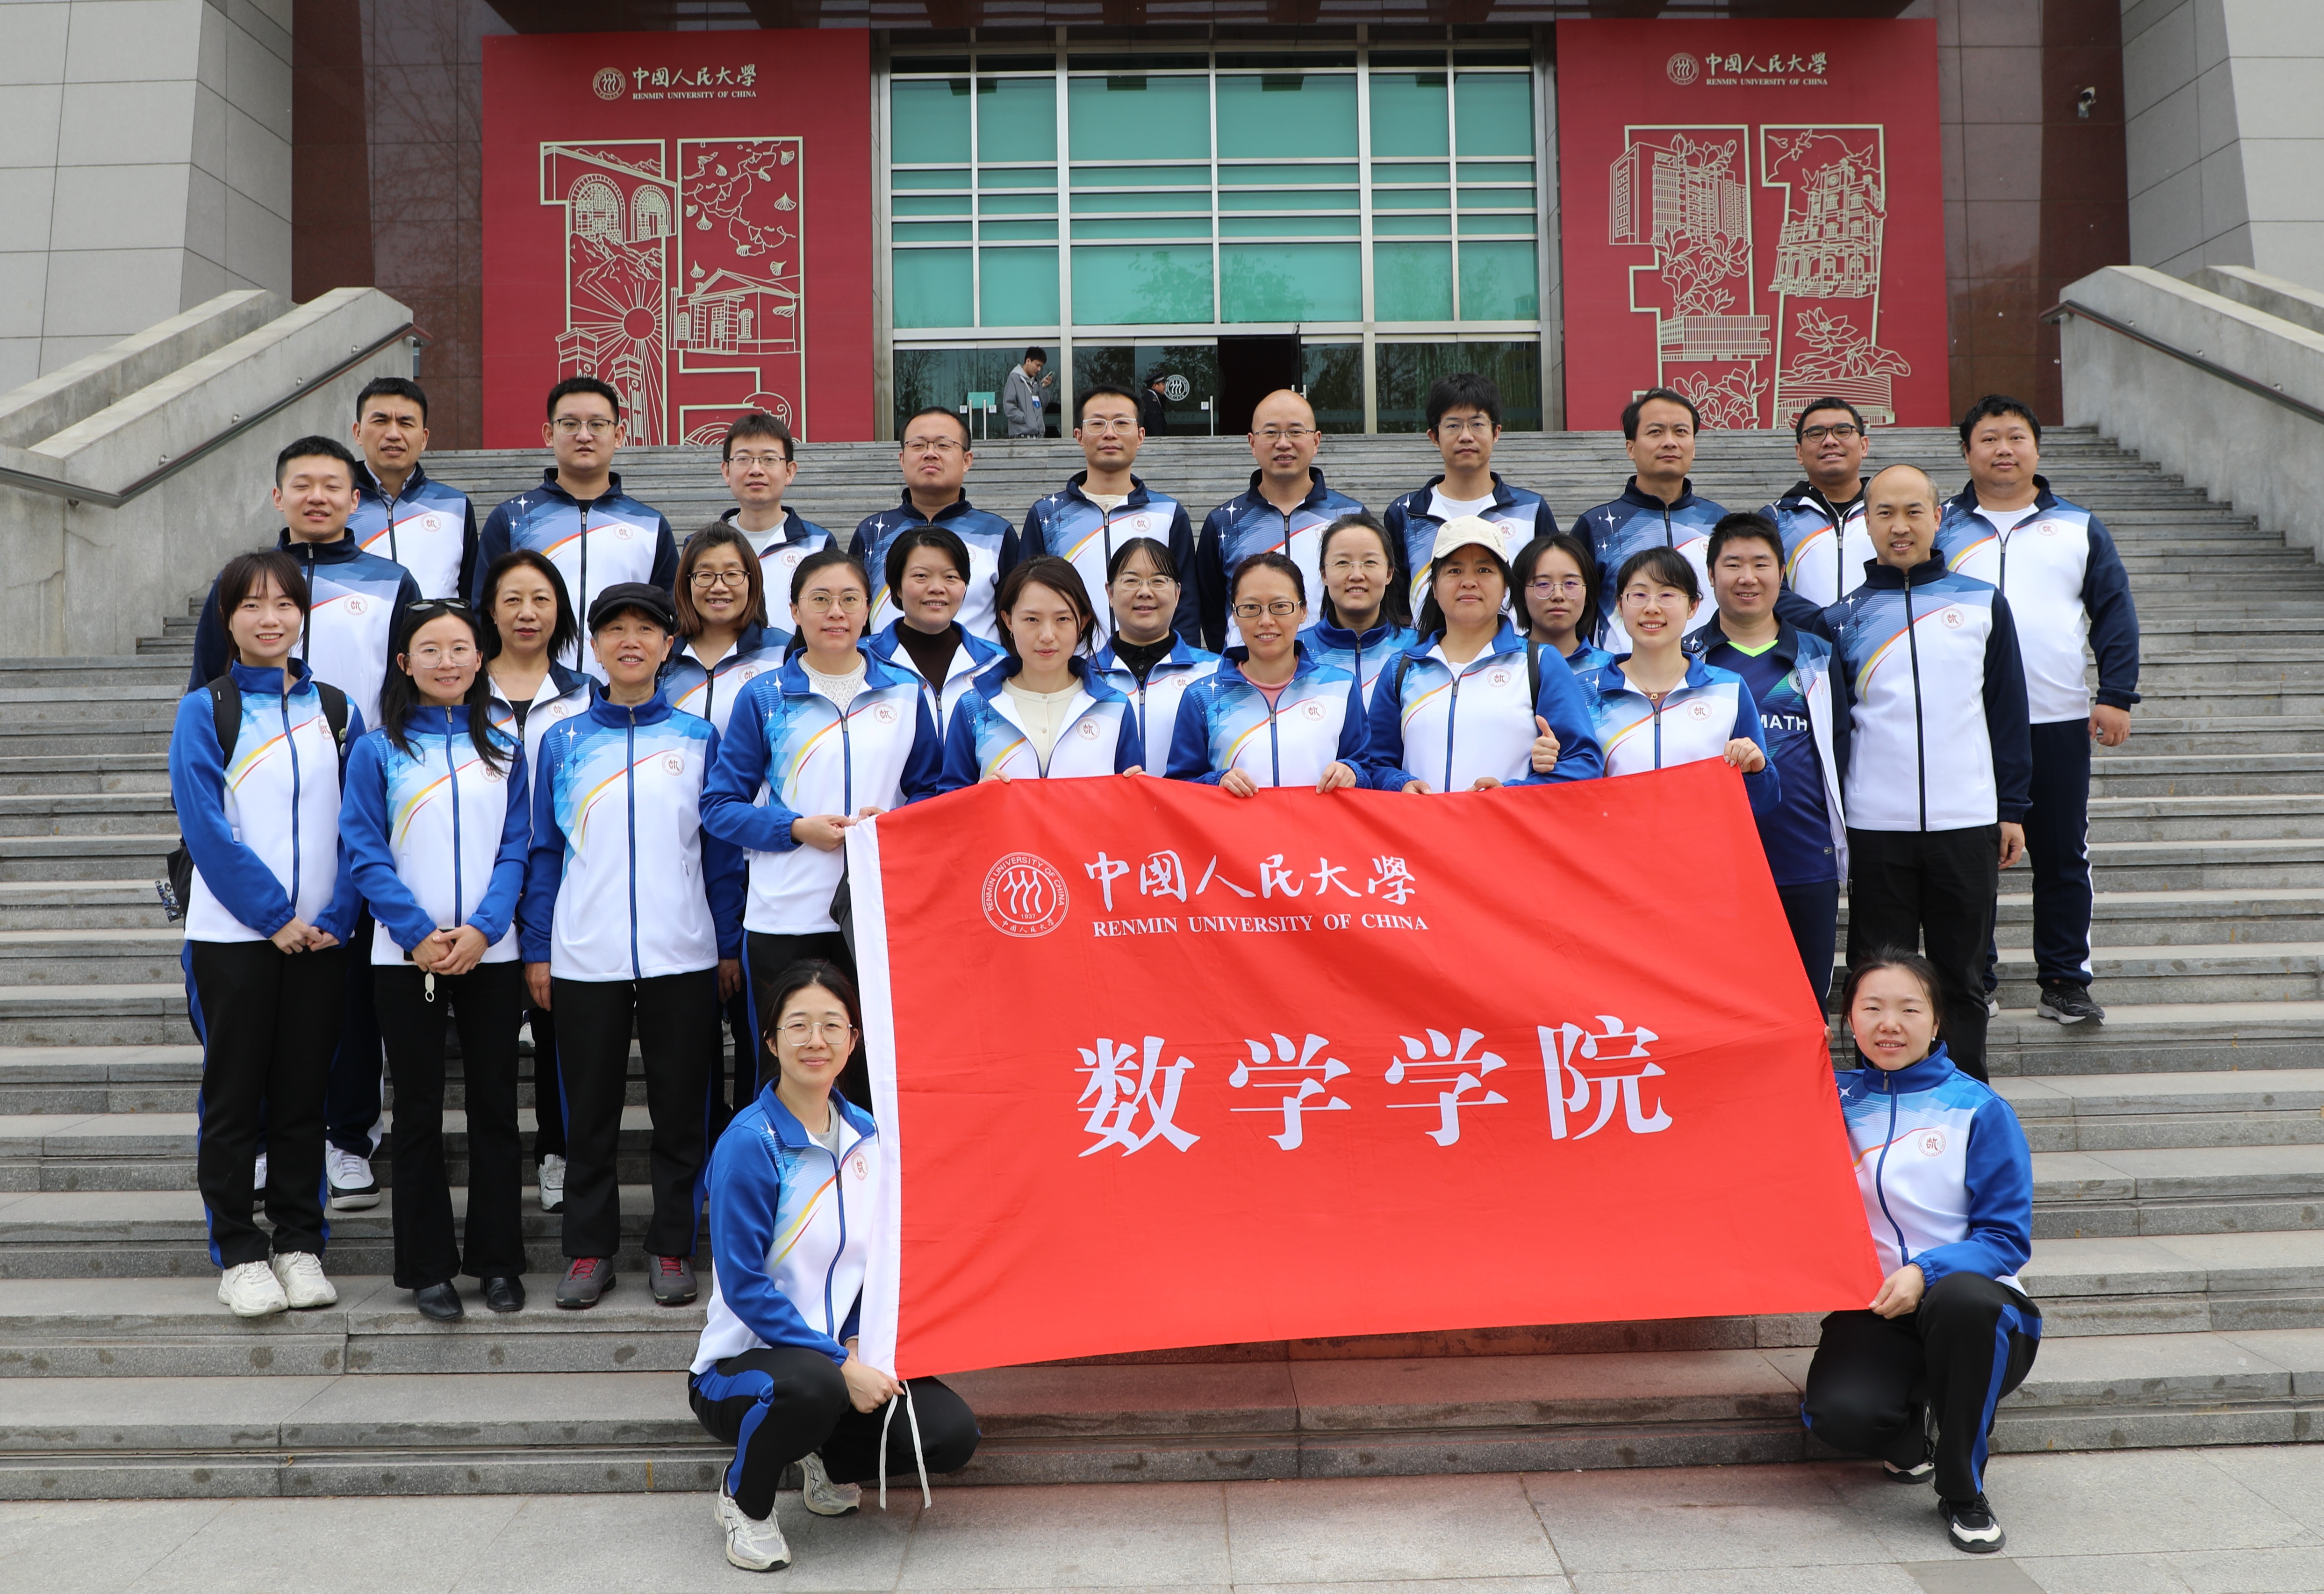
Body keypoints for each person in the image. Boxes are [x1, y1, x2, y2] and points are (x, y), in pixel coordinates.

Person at [187, 436, 420, 1216]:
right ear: (277, 495)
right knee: (250, 1029)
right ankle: (260, 1149)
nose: (317, 496)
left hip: (350, 796)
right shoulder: (239, 586)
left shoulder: (391, 581)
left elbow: (408, 685)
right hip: (254, 810)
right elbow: (205, 686)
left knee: (349, 1000)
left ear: (357, 498)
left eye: (332, 485)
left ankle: (348, 1137)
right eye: (302, 484)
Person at [690, 962, 979, 1574]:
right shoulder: (752, 1143)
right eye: (798, 1025)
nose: (814, 1040)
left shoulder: (867, 1135)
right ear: (771, 1041)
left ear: (853, 1040)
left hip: (836, 1358)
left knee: (950, 1431)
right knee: (814, 1387)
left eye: (831, 1025)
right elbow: (744, 1287)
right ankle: (744, 1498)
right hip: (743, 1367)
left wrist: (854, 1341)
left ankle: (819, 1455)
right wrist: (839, 1362)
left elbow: (878, 1260)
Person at [520, 582, 745, 1311]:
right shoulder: (562, 741)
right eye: (614, 629)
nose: (630, 641)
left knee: (683, 1108)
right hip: (586, 953)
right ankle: (590, 1250)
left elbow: (719, 852)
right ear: (595, 646)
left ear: (668, 645)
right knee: (589, 1112)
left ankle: (672, 1245)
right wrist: (537, 946)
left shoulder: (697, 737)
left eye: (645, 629)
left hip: (684, 949)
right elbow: (545, 851)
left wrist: (728, 943)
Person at [171, 549, 361, 1318]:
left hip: (321, 940)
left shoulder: (336, 710)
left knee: (303, 1098)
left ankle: (299, 1242)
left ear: (302, 615)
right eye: (251, 605)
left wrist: (337, 915)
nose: (270, 618)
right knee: (233, 1098)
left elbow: (358, 825)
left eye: (283, 604)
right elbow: (206, 829)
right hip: (232, 941)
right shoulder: (206, 710)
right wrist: (273, 917)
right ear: (228, 619)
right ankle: (239, 1251)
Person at [1802, 951, 2038, 1557]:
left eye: (1909, 1009)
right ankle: (1912, 1440)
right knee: (1838, 1415)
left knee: (1961, 1300)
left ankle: (1963, 1490)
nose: (1889, 1023)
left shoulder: (1979, 1109)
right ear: (1849, 1020)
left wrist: (1924, 1270)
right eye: (1872, 1008)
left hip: (1978, 1312)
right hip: (1877, 1307)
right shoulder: (1828, 1099)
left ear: (1936, 1022)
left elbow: (2006, 1238)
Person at [1805, 465, 2031, 1083]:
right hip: (1876, 827)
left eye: (1913, 511)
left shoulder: (1981, 603)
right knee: (1877, 976)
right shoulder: (1839, 620)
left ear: (1938, 517)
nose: (1899, 526)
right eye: (1884, 512)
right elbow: (1834, 733)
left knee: (1962, 975)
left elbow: (2007, 712)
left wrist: (2012, 808)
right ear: (1866, 522)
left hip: (1967, 821)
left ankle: (1966, 1100)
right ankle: (1878, 1095)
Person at [340, 598, 530, 1319]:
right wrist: (416, 932)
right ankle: (427, 1268)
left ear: (480, 659)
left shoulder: (505, 744)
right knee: (417, 1111)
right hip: (405, 956)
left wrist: (485, 928)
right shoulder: (377, 749)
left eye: (459, 648)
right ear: (404, 662)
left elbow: (518, 846)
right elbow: (364, 849)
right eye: (430, 649)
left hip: (493, 952)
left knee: (496, 1108)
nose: (446, 661)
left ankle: (498, 1261)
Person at [700, 549, 945, 1109]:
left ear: (868, 611)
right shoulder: (765, 696)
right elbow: (719, 806)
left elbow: (934, 791)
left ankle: (864, 1163)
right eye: (821, 599)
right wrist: (795, 828)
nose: (836, 612)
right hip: (784, 913)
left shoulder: (905, 692)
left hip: (876, 912)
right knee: (785, 1064)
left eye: (849, 599)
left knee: (870, 1063)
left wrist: (896, 825)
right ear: (794, 610)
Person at [1938, 396, 2140, 1027]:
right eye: (1989, 438)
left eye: (2016, 437)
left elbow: (2113, 610)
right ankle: (1974, 980)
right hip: (1965, 721)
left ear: (2036, 448)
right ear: (1966, 452)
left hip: (2055, 717)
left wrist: (2116, 694)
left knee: (2061, 854)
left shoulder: (2078, 526)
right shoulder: (1940, 527)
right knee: (1969, 857)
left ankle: (2064, 981)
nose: (2003, 449)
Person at [1692, 513, 1850, 1001]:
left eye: (1761, 564)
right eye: (1733, 564)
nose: (1747, 577)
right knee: (1725, 1003)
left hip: (1805, 859)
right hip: (1714, 866)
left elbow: (1840, 745)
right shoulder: (1688, 658)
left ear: (1781, 572)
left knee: (1807, 1004)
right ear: (1711, 574)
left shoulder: (1818, 655)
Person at [481, 550, 590, 1218]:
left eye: (541, 599)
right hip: (481, 882)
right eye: (513, 599)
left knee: (556, 1026)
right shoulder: (461, 687)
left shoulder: (586, 693)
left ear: (560, 611)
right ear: (490, 610)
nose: (527, 613)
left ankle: (557, 1151)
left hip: (561, 878)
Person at [1362, 518, 1601, 794]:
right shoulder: (1402, 669)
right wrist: (1400, 784)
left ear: (1505, 587)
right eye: (1454, 570)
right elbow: (1374, 764)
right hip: (1420, 822)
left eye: (1484, 570)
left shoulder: (1539, 662)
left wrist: (1511, 792)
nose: (1469, 582)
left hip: (1504, 822)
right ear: (1434, 587)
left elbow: (1585, 763)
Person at [475, 377, 679, 679]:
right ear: (549, 434)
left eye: (597, 425)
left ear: (619, 435)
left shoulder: (650, 526)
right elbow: (482, 611)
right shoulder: (511, 519)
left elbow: (671, 617)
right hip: (530, 691)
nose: (584, 435)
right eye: (570, 424)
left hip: (623, 693)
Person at [1572, 547, 1776, 811]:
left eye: (1667, 595)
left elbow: (1763, 803)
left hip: (1701, 837)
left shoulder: (1729, 689)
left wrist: (1757, 770)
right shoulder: (1584, 691)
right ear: (1620, 605)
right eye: (1639, 595)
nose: (1652, 608)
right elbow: (1569, 790)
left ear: (1693, 606)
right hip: (1615, 838)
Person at [1166, 552, 1368, 795]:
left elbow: (1368, 771)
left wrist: (1352, 772)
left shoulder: (1341, 687)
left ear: (1303, 611)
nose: (1266, 620)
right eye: (1251, 608)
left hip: (1318, 821)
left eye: (1280, 606)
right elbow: (1177, 788)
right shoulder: (1202, 697)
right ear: (1235, 615)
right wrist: (1216, 782)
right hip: (1233, 822)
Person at [1020, 383, 1199, 647]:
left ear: (1140, 436)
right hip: (1071, 666)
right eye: (1097, 424)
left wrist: (1180, 663)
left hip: (1153, 665)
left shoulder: (1169, 514)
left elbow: (1186, 603)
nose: (1110, 434)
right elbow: (1026, 598)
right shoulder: (1046, 515)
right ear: (1079, 436)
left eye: (1122, 423)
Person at [940, 556, 1142, 788]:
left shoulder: (1115, 707)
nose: (1047, 635)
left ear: (1083, 622)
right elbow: (950, 797)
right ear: (1008, 621)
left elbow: (1132, 797)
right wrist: (977, 797)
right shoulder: (973, 707)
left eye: (1062, 619)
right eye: (1032, 619)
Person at [1192, 390, 1365, 651]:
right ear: (1252, 443)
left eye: (1296, 432)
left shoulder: (1350, 515)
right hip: (1248, 669)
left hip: (1333, 666)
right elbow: (1213, 613)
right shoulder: (1223, 523)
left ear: (1316, 441)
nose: (1283, 443)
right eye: (1271, 433)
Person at [1380, 372, 1551, 622]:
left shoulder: (1531, 510)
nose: (1466, 436)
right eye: (1453, 425)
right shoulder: (1405, 514)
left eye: (1477, 424)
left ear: (1496, 433)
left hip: (1513, 647)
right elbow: (1396, 607)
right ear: (1434, 437)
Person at [1573, 388, 1727, 652]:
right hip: (1621, 673)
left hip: (1708, 671)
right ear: (1630, 448)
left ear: (1694, 446)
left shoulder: (1720, 522)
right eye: (1656, 432)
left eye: (1681, 432)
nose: (1670, 442)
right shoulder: (1595, 526)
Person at [850, 407, 1017, 643]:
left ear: (967, 461)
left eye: (943, 445)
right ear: (902, 459)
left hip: (979, 665)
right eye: (918, 445)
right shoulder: (871, 533)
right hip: (884, 665)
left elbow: (1014, 617)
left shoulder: (997, 534)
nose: (930, 454)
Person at [1091, 537, 1219, 774]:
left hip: (1185, 799)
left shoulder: (1215, 673)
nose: (1145, 592)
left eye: (1158, 581)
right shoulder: (1083, 676)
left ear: (1178, 593)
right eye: (1131, 581)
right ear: (1110, 593)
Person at [864, 525, 1005, 739]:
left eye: (951, 577)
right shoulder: (862, 659)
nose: (937, 588)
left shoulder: (997, 663)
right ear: (897, 587)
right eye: (921, 576)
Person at [348, 376, 476, 602]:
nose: (393, 434)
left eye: (406, 423)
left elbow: (472, 597)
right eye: (381, 421)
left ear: (424, 439)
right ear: (358, 433)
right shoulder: (337, 504)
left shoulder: (455, 507)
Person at [718, 411, 831, 648]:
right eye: (743, 459)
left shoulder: (818, 545)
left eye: (769, 459)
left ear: (789, 471)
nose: (756, 470)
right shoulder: (703, 547)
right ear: (727, 471)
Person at [663, 523, 788, 735]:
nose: (719, 587)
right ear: (687, 583)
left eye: (732, 574)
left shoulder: (784, 652)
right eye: (705, 575)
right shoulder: (663, 656)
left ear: (752, 580)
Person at [1298, 512, 1419, 708]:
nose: (1356, 575)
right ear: (1324, 574)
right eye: (1342, 563)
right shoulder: (1297, 652)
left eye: (1370, 562)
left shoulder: (1419, 649)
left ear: (1389, 573)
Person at [1767, 395, 1874, 608]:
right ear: (1799, 453)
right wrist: (1820, 622)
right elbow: (1769, 588)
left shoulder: (1891, 513)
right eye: (1816, 434)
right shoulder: (1776, 519)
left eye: (1843, 431)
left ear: (1864, 446)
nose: (1830, 441)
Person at [1511, 531, 1613, 675]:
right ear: (1522, 594)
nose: (1558, 596)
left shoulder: (1612, 670)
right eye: (1543, 584)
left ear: (1588, 594)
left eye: (1571, 583)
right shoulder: (1504, 665)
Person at [1001, 345, 1052, 438]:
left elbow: (1041, 406)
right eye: (1037, 365)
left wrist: (1043, 388)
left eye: (1041, 366)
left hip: (1038, 435)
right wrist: (1025, 418)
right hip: (1021, 435)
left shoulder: (1036, 382)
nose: (1039, 369)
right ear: (1028, 361)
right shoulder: (1014, 378)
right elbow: (1009, 406)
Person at [1140, 371, 1170, 437]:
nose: (1165, 387)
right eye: (1163, 384)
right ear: (1155, 385)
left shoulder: (1153, 399)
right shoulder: (1151, 401)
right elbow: (1156, 427)